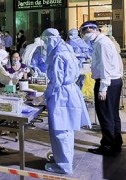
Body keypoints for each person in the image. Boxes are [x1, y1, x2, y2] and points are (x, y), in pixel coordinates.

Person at [41, 28, 91, 174]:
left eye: (45, 41)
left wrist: (42, 96)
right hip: (69, 92)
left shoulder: (58, 55)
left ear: (50, 39)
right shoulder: (67, 49)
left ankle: (63, 166)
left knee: (60, 130)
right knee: (67, 130)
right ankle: (63, 159)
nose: (45, 45)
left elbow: (55, 82)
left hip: (61, 96)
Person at [80, 21, 123, 156]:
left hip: (107, 82)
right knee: (113, 114)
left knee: (105, 115)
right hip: (115, 81)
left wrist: (103, 87)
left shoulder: (101, 44)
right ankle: (116, 143)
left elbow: (105, 66)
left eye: (86, 32)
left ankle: (107, 145)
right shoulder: (104, 41)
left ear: (94, 30)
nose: (85, 35)